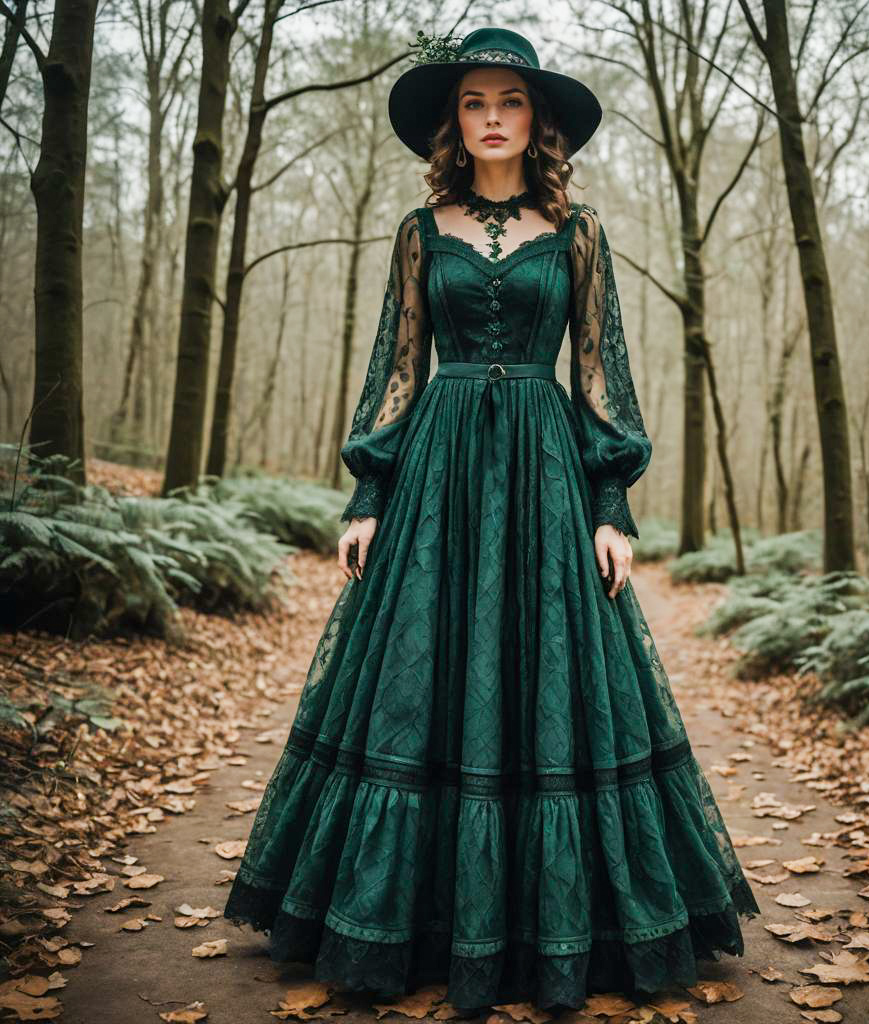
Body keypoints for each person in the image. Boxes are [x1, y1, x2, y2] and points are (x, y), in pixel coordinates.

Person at [223, 25, 760, 1014]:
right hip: (437, 472)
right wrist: (369, 493)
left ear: (537, 121)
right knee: (423, 676)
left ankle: (560, 926)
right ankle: (412, 919)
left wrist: (610, 505)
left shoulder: (582, 232)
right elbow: (396, 363)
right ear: (454, 123)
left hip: (548, 470)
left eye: (509, 102)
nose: (492, 119)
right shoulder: (420, 229)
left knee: (552, 676)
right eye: (474, 103)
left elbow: (602, 371)